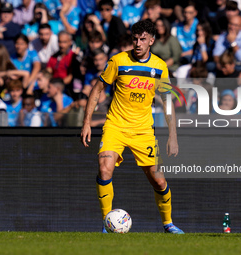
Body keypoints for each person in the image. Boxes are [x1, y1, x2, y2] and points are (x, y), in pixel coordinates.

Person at [80, 20, 184, 234]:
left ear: (151, 41)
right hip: (115, 126)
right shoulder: (118, 61)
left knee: (159, 180)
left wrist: (172, 135)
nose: (137, 43)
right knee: (104, 168)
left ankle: (168, 224)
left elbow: (167, 102)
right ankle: (107, 225)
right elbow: (97, 89)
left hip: (143, 131)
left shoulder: (159, 66)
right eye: (135, 39)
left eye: (143, 39)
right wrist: (87, 122)